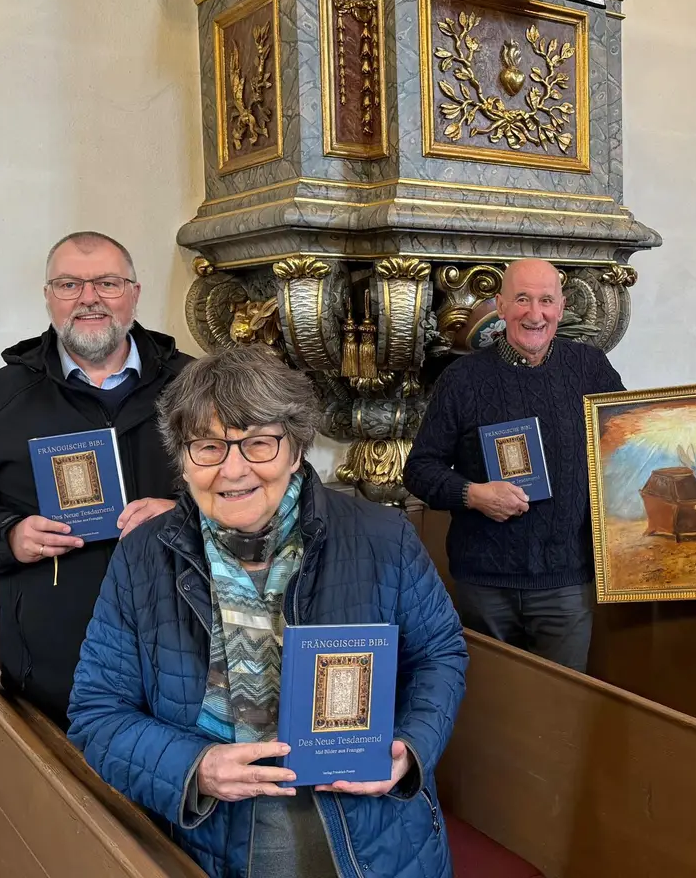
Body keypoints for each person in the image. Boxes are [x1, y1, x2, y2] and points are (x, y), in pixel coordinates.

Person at [66, 345, 467, 878]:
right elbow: (97, 713)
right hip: (213, 834)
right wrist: (195, 768)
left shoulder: (382, 537)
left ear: (296, 449)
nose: (233, 470)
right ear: (183, 460)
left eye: (258, 443)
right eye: (208, 447)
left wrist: (411, 745)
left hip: (373, 829)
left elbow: (439, 655)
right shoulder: (142, 558)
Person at [0, 231, 190, 727]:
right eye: (68, 284)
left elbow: (265, 490)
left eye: (107, 282)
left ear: (134, 293)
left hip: (189, 647)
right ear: (48, 297)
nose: (88, 298)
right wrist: (8, 536)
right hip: (56, 666)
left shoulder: (197, 387)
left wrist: (187, 513)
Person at [402, 258, 624, 672]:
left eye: (545, 301)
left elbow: (626, 443)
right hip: (483, 584)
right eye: (522, 299)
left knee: (560, 712)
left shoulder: (591, 368)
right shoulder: (462, 378)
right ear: (501, 306)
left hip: (567, 582)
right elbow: (419, 469)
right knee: (494, 712)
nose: (534, 314)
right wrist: (473, 494)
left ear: (561, 307)